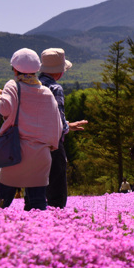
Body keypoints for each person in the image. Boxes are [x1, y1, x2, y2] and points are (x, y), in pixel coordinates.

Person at [0, 49, 63, 211]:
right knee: (38, 205)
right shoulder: (46, 92)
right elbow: (57, 126)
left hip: (15, 153)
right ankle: (40, 235)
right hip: (41, 156)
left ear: (15, 69)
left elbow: (5, 108)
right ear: (37, 69)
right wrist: (49, 147)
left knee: (1, 205)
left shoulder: (13, 86)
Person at [38, 48, 88, 209]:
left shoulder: (31, 85)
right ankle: (57, 223)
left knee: (35, 190)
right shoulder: (55, 88)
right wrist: (66, 126)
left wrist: (68, 124)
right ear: (59, 72)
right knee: (56, 192)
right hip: (53, 145)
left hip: (32, 144)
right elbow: (57, 123)